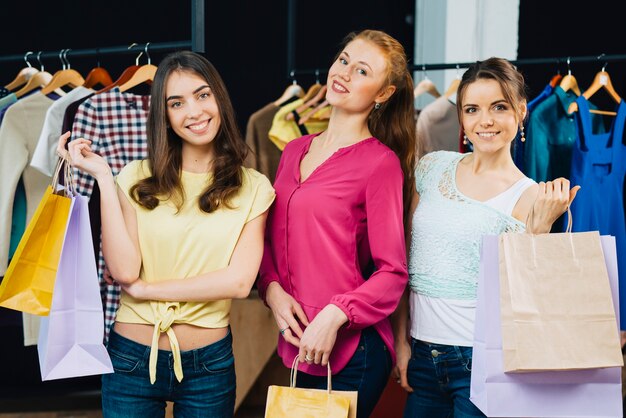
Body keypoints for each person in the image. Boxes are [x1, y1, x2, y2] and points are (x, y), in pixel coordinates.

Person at [57, 51, 275, 418]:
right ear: (165, 116)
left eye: (203, 95)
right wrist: (104, 179)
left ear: (219, 98)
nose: (194, 112)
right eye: (177, 103)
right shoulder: (133, 177)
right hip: (131, 358)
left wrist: (148, 290)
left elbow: (238, 283)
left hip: (209, 364)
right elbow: (125, 272)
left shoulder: (253, 187)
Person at [393, 57, 580, 417]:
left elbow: (528, 297)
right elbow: (404, 262)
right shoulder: (431, 168)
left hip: (483, 361)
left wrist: (540, 229)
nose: (486, 121)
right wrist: (402, 341)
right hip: (422, 354)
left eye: (499, 107)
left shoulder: (530, 195)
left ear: (521, 111)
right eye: (472, 109)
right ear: (461, 117)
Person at [257, 29, 416, 418]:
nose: (343, 73)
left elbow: (392, 272)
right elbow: (271, 240)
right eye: (343, 60)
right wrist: (272, 290)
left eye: (362, 70)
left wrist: (335, 314)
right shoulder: (294, 149)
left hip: (352, 352)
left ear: (383, 94)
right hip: (297, 345)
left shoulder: (380, 164)